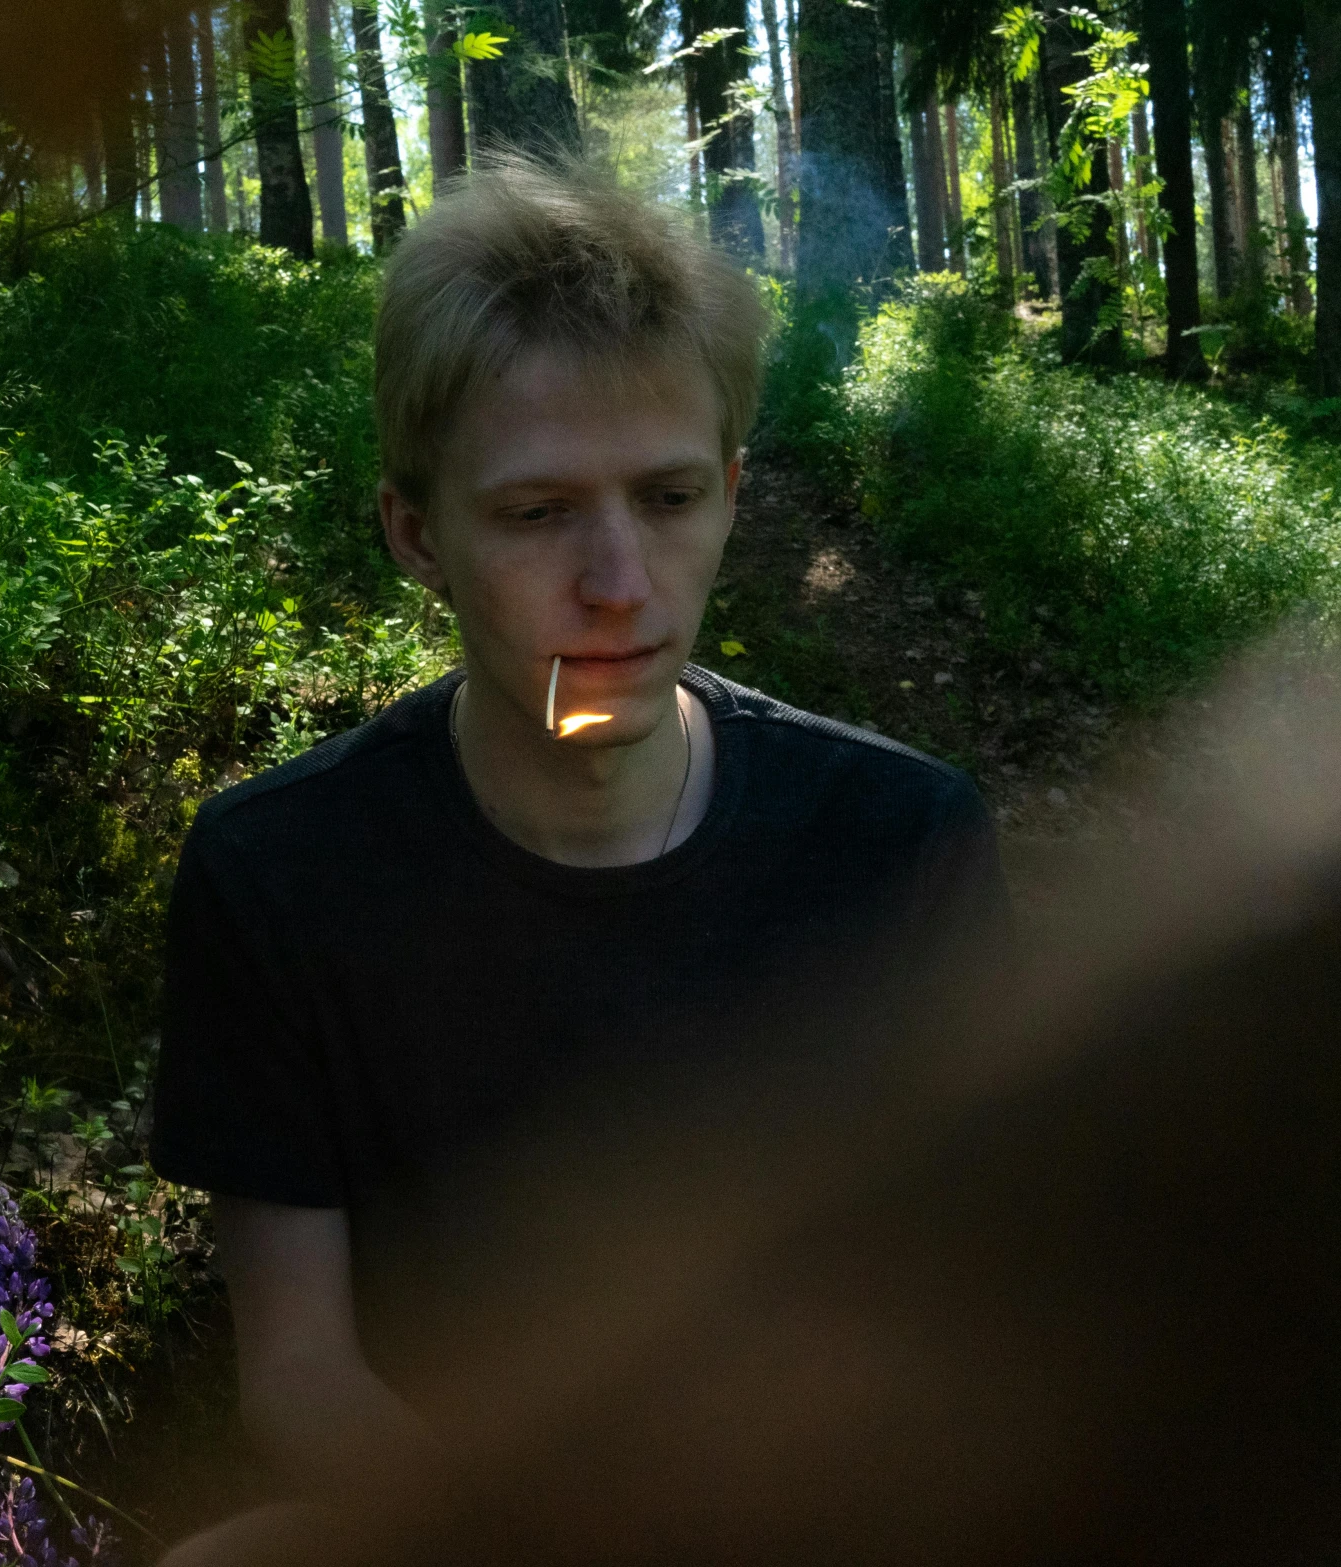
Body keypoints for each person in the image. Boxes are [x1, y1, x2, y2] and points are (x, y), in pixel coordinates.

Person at [148, 156, 1008, 1523]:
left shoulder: (896, 848)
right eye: (538, 513)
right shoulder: (280, 874)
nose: (616, 586)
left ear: (731, 490)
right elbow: (301, 1375)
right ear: (414, 533)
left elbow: (972, 1329)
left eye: (668, 501)